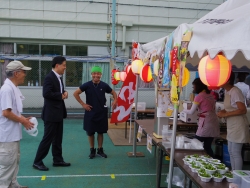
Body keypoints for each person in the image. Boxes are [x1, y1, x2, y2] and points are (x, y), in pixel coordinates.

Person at [33, 56, 70, 171]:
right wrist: (60, 96)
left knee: (58, 139)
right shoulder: (49, 77)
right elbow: (47, 93)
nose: (65, 67)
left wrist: (64, 92)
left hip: (58, 114)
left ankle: (57, 159)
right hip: (51, 114)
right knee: (47, 139)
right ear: (57, 65)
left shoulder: (58, 78)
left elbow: (58, 91)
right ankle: (37, 161)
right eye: (64, 65)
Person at [0, 61, 33, 188]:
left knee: (14, 161)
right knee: (7, 164)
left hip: (12, 135)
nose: (25, 74)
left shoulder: (13, 88)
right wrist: (23, 121)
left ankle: (12, 184)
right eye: (23, 72)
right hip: (7, 135)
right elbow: (6, 113)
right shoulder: (7, 89)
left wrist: (23, 118)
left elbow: (13, 111)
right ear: (16, 73)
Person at [73, 66, 117, 159]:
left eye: (98, 73)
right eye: (94, 73)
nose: (96, 75)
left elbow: (113, 92)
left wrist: (115, 100)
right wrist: (83, 104)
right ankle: (92, 150)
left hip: (101, 112)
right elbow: (75, 93)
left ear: (101, 74)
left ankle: (100, 150)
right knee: (90, 132)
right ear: (91, 74)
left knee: (100, 132)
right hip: (90, 112)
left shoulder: (104, 85)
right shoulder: (87, 85)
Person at [217, 71, 250, 170]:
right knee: (231, 151)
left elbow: (242, 109)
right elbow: (231, 107)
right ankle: (234, 173)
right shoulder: (228, 91)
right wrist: (223, 111)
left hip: (238, 125)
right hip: (232, 125)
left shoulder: (235, 91)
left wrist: (225, 114)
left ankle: (237, 176)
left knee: (235, 152)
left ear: (227, 80)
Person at [182, 78, 220, 157]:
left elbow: (191, 112)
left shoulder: (199, 97)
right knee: (207, 146)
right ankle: (212, 162)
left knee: (195, 143)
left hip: (205, 123)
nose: (193, 88)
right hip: (214, 121)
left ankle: (194, 160)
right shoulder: (211, 95)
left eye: (194, 87)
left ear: (198, 86)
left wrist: (183, 110)